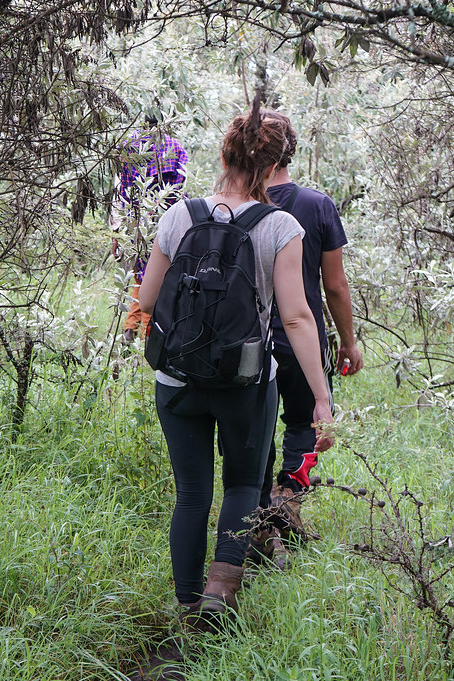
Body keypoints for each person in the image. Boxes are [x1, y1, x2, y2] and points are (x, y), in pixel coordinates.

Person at [138, 103, 334, 624]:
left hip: (175, 381)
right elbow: (296, 319)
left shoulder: (179, 214)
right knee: (243, 486)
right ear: (273, 169)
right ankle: (219, 596)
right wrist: (319, 396)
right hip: (247, 382)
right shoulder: (282, 226)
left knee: (191, 494)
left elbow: (149, 296)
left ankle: (184, 606)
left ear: (224, 156)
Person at [252, 111, 364, 566]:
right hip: (303, 343)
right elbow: (335, 285)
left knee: (256, 433)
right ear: (289, 152)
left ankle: (261, 524)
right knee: (307, 425)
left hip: (250, 344)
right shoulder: (317, 205)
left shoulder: (235, 204)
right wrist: (348, 341)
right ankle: (287, 505)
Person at [111, 115, 188, 342]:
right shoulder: (175, 147)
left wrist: (116, 229)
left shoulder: (128, 146)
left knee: (140, 275)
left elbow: (118, 191)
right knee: (156, 279)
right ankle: (145, 335)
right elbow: (182, 189)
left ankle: (131, 328)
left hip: (134, 222)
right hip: (165, 222)